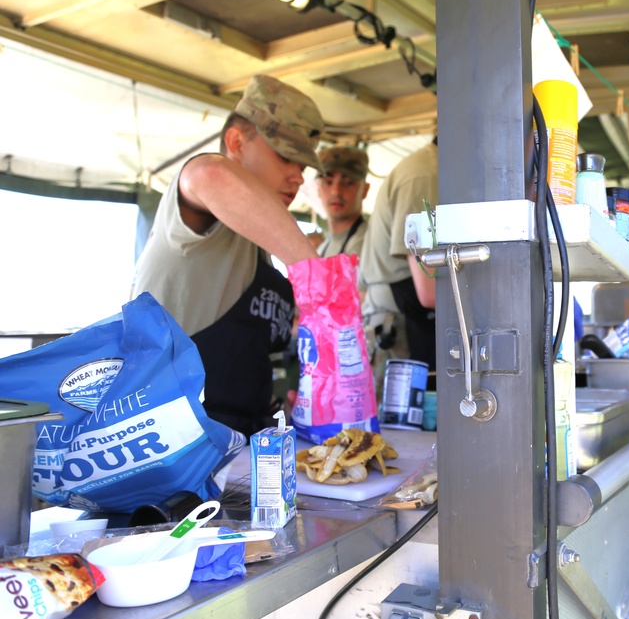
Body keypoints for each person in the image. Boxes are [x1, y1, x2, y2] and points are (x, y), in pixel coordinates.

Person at [132, 74, 324, 439]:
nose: (298, 177)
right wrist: (319, 274)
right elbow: (209, 174)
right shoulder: (197, 216)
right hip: (171, 446)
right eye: (286, 156)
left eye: (303, 167)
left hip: (240, 442)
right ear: (236, 141)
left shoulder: (257, 246)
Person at [358, 139, 438, 392]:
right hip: (398, 335)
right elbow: (431, 292)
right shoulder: (426, 174)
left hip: (402, 325)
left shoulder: (427, 167)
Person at [315, 146, 370, 258]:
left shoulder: (370, 244)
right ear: (318, 189)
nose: (336, 192)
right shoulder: (322, 249)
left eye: (348, 182)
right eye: (328, 182)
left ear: (365, 190)